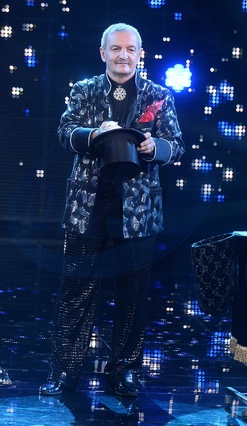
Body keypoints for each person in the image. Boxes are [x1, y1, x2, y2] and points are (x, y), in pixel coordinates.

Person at [39, 23, 185, 398]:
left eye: (130, 49)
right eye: (116, 49)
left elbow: (176, 144)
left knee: (133, 293)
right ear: (103, 53)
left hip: (138, 209)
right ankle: (65, 371)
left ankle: (124, 371)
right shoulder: (85, 90)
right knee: (76, 290)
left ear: (140, 54)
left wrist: (154, 148)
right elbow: (65, 131)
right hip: (88, 204)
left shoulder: (158, 95)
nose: (123, 56)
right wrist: (94, 135)